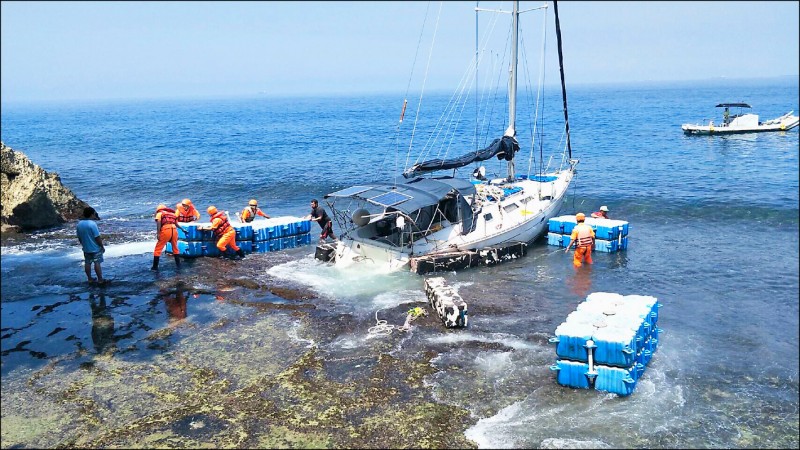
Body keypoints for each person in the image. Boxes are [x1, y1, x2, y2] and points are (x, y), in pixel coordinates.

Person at [76, 206, 106, 284]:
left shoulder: (79, 224)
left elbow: (79, 237)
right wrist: (101, 246)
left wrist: (83, 245)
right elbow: (97, 237)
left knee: (87, 263)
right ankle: (100, 279)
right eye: (94, 214)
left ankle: (89, 279)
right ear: (92, 214)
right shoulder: (92, 224)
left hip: (86, 248)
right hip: (95, 248)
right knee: (97, 263)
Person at [152, 203, 181, 270]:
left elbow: (159, 222)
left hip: (166, 230)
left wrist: (158, 233)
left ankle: (155, 267)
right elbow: (176, 224)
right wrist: (183, 229)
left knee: (158, 249)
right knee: (175, 248)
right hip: (174, 230)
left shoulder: (159, 213)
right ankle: (178, 266)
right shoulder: (173, 214)